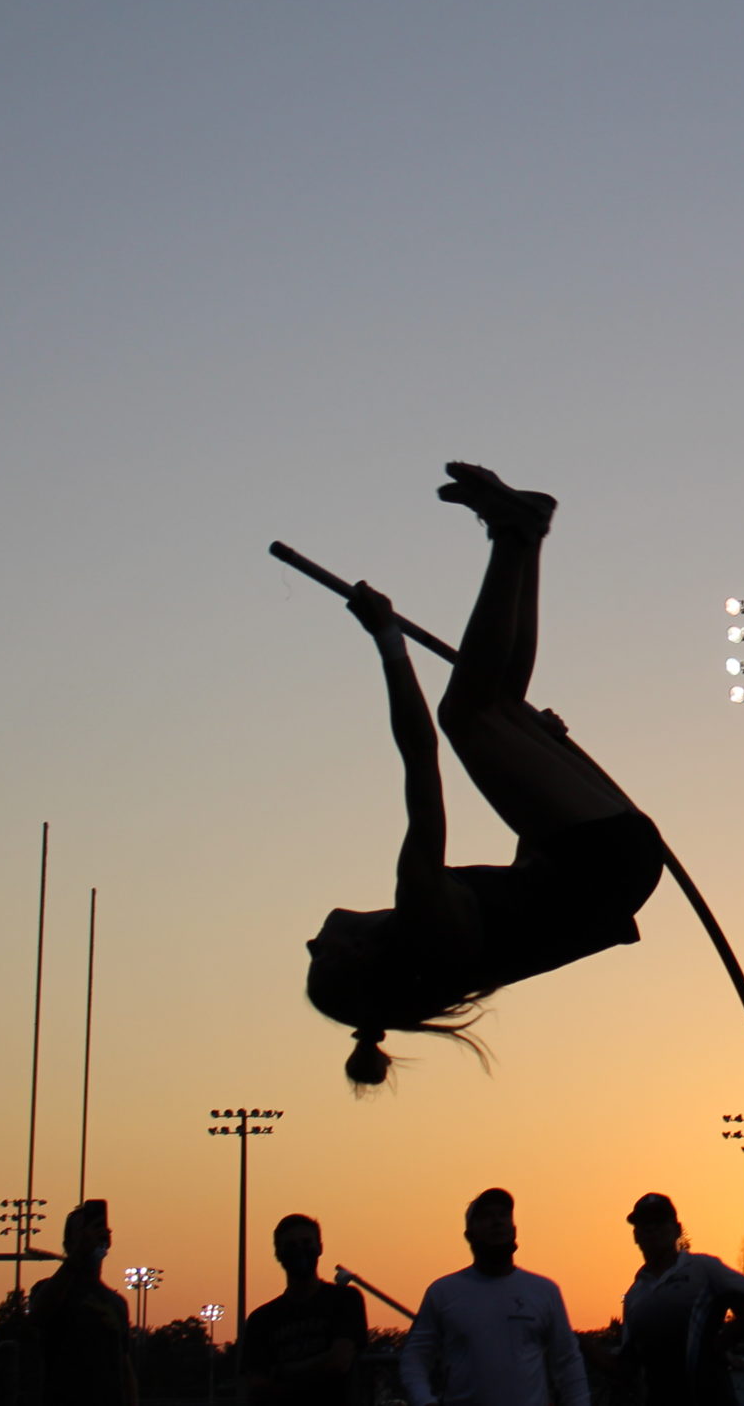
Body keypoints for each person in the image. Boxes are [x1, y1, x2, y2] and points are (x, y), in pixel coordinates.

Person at [305, 463, 667, 1088]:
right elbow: (420, 762)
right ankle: (514, 532)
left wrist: (551, 756)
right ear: (358, 956)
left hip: (607, 863)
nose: (312, 944)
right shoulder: (420, 916)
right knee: (465, 716)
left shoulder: (440, 949)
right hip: (602, 859)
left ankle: (524, 535)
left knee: (495, 705)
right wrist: (388, 642)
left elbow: (540, 896)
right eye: (319, 956)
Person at [401, 1188, 589, 1406]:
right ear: (469, 1234)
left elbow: (568, 1361)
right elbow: (414, 1357)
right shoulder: (443, 1292)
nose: (497, 1222)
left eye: (503, 1215)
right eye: (486, 1216)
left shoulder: (544, 1291)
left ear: (514, 1229)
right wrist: (424, 1400)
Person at [615, 1193, 744, 1406]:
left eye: (659, 1222)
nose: (652, 1230)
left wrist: (720, 1343)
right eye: (645, 1225)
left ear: (677, 1230)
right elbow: (627, 1364)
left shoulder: (703, 1268)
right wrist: (576, 1342)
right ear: (636, 1235)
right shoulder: (635, 1294)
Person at [242, 1215, 370, 1405]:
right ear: (278, 1254)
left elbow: (339, 1362)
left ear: (320, 1247)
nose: (300, 1250)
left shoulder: (345, 1299)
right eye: (291, 1245)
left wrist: (282, 1372)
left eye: (306, 1242)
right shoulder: (261, 1320)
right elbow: (255, 1385)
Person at [25, 1200, 138, 1406]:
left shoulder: (116, 1303)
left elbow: (124, 1366)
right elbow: (39, 1315)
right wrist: (78, 1255)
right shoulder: (48, 1289)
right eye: (85, 1230)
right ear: (69, 1244)